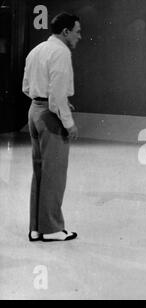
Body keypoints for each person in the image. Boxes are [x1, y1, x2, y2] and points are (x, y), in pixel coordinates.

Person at [22, 12, 81, 241]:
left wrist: (46, 101)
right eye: (77, 31)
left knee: (40, 172)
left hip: (34, 112)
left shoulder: (36, 50)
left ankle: (36, 228)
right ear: (65, 32)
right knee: (55, 174)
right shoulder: (61, 52)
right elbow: (57, 96)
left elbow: (27, 87)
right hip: (50, 116)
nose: (79, 36)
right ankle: (52, 229)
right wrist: (69, 123)